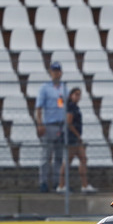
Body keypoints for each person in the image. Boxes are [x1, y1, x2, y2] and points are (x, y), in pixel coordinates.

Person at [35, 61, 67, 193]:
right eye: (54, 71)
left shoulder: (64, 88)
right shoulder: (45, 88)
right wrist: (40, 123)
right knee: (46, 156)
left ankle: (56, 182)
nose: (56, 73)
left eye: (58, 70)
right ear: (50, 72)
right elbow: (39, 107)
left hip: (61, 125)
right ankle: (43, 182)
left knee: (59, 157)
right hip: (49, 125)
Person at [57, 87, 97, 193]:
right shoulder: (70, 107)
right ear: (71, 95)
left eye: (79, 94)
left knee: (83, 159)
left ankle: (84, 185)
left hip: (74, 138)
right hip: (71, 138)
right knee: (69, 161)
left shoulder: (75, 107)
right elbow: (69, 123)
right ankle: (61, 185)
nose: (78, 96)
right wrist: (78, 136)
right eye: (76, 94)